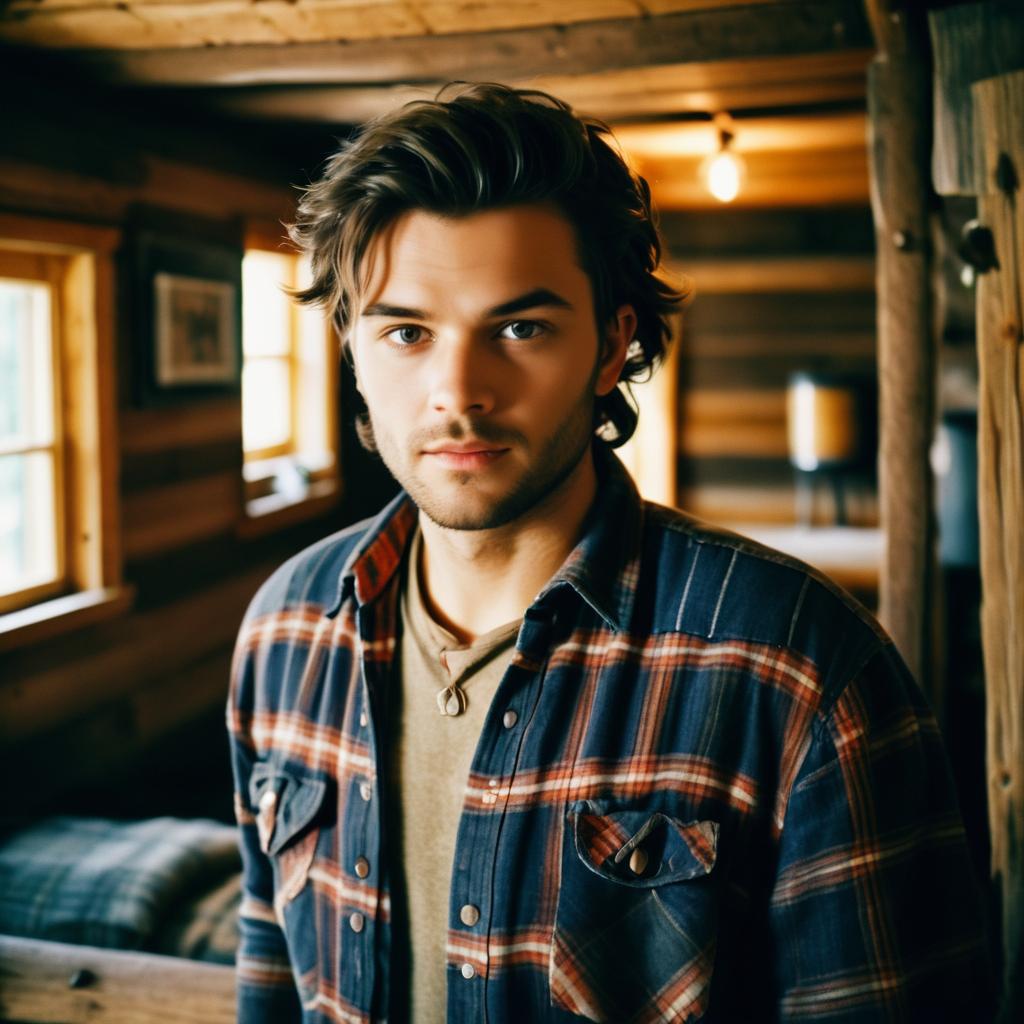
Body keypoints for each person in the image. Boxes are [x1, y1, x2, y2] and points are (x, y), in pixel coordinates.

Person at [226, 83, 992, 1024]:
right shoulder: (286, 628)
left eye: (520, 328)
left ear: (610, 346)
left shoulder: (798, 667)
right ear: (353, 348)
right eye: (407, 332)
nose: (456, 391)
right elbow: (269, 964)